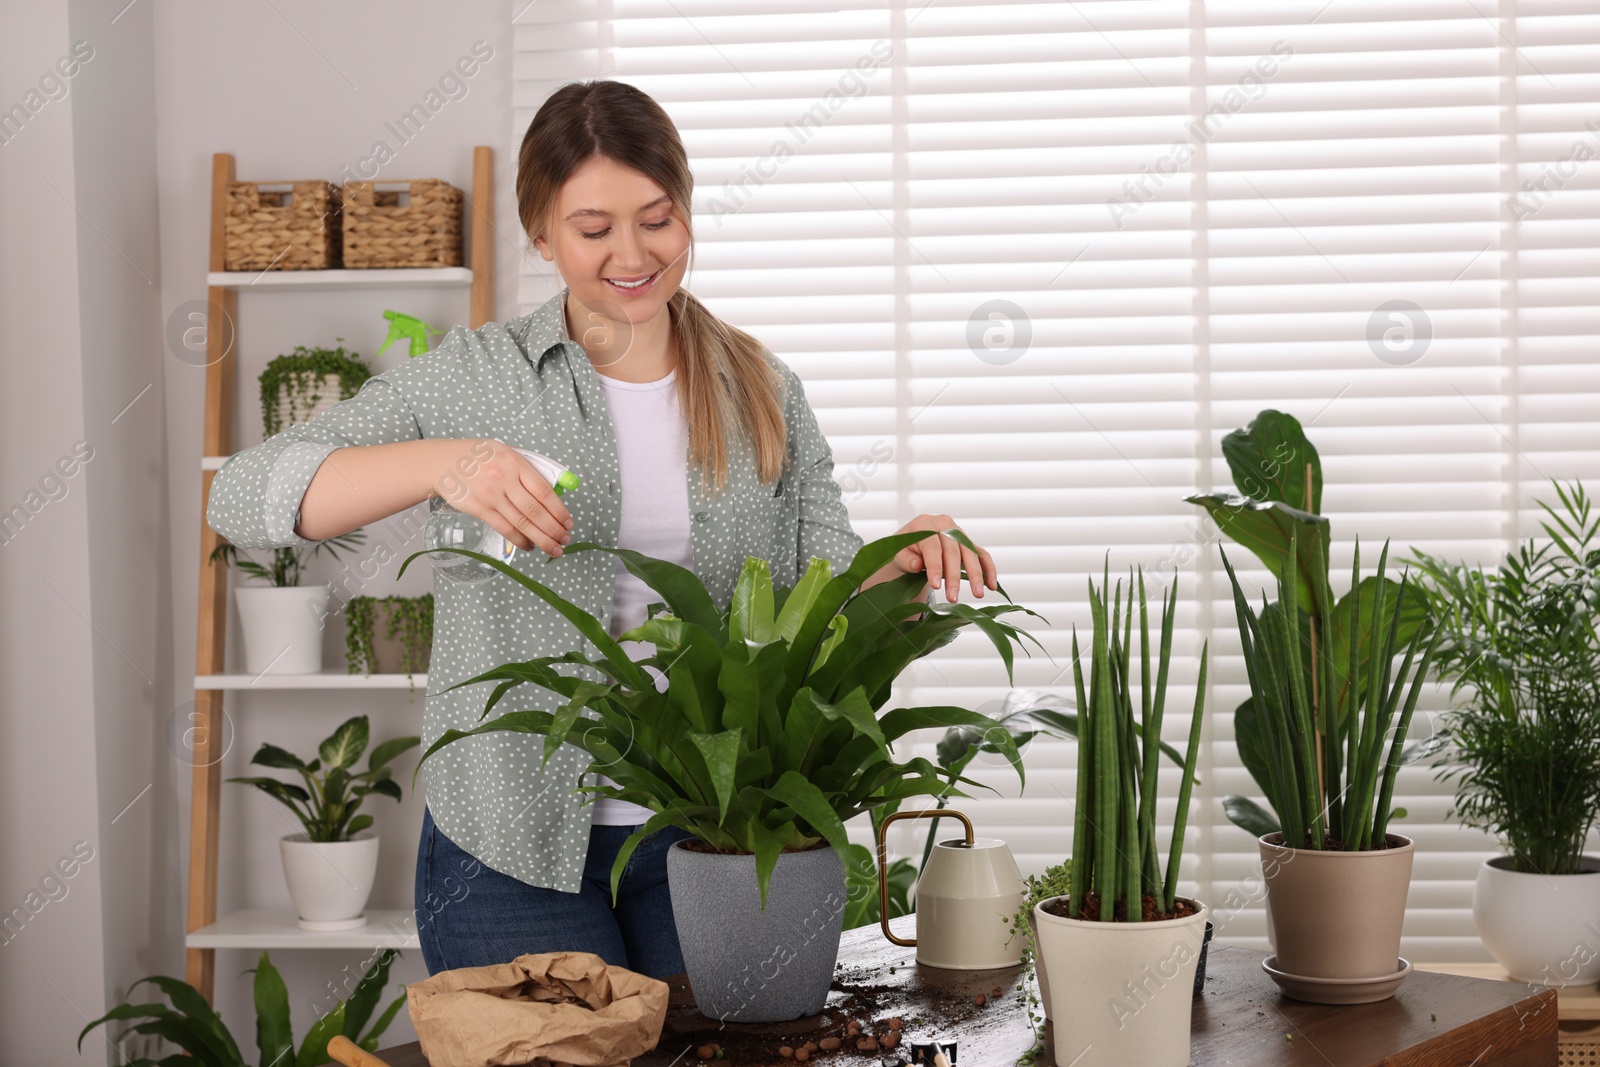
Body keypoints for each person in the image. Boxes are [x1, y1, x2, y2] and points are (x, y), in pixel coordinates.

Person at [205, 79, 1000, 979]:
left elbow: (818, 605)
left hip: (711, 840)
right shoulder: (474, 378)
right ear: (542, 234)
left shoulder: (763, 391)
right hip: (504, 847)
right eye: (594, 229)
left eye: (657, 219)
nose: (633, 253)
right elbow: (242, 494)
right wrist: (444, 463)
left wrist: (908, 559)